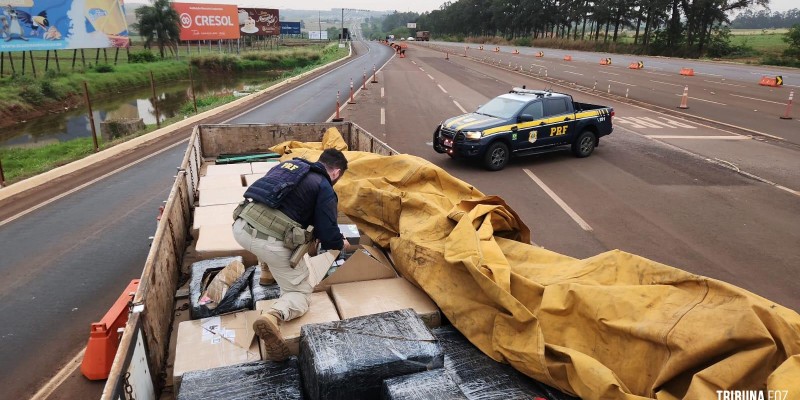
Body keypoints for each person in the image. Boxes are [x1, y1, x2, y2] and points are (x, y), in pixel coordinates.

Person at [232, 148, 353, 361]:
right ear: (336, 173)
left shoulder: (288, 166)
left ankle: (266, 274)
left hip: (241, 227)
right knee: (301, 294)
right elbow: (327, 233)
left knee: (271, 234)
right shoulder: (324, 186)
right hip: (268, 243)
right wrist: (339, 242)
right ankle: (273, 317)